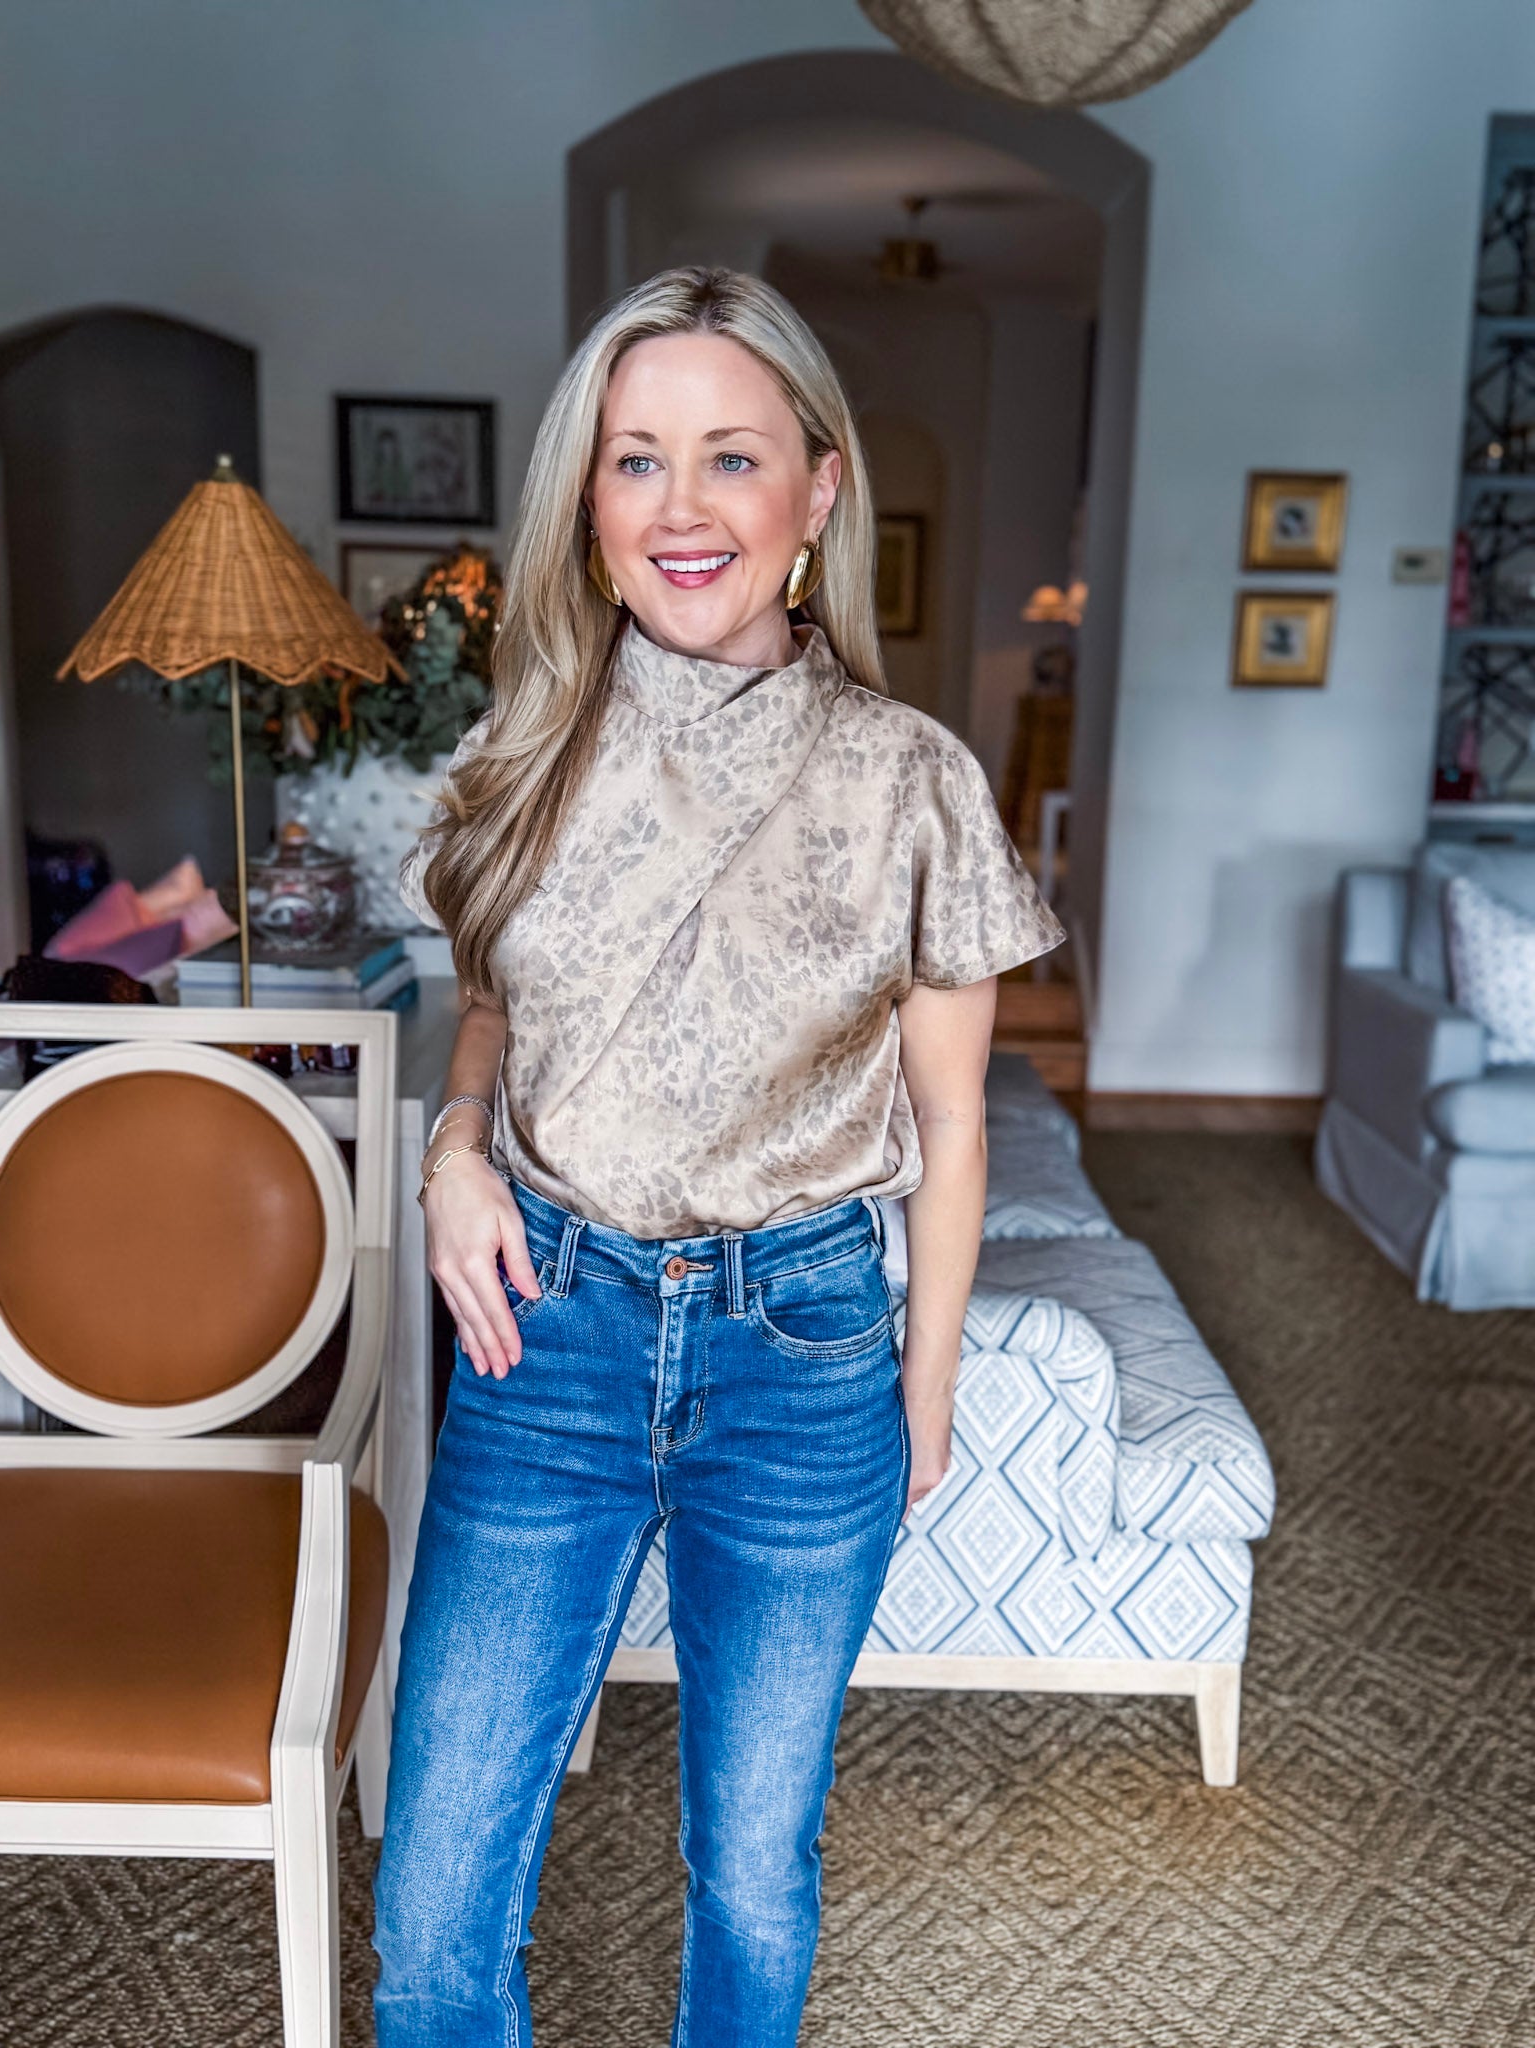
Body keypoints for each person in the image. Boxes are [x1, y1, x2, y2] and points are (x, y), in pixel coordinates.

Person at [371, 265, 1066, 2048]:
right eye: (637, 460)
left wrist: (925, 1386)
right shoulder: (526, 752)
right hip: (548, 1334)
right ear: (589, 507)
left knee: (753, 1865)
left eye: (732, 457)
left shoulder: (912, 780)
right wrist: (454, 1150)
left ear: (818, 492)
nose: (682, 507)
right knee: (435, 1895)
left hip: (803, 1350)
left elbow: (956, 1121)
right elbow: (499, 1008)